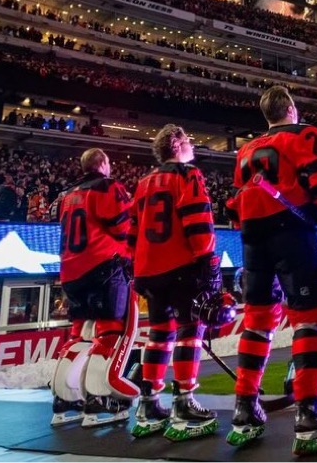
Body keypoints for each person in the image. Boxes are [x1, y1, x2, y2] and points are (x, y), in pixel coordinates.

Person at [224, 85, 317, 455]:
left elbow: (233, 205)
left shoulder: (246, 149)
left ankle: (245, 407)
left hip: (253, 240)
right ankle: (307, 410)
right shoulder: (305, 134)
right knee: (308, 318)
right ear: (290, 108)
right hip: (292, 233)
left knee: (257, 319)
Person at [128, 124, 221, 440]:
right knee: (188, 332)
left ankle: (148, 402)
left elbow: (132, 232)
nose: (192, 147)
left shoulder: (143, 183)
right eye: (189, 142)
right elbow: (198, 220)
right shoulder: (187, 175)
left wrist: (135, 267)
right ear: (179, 144)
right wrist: (208, 260)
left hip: (149, 269)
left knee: (158, 335)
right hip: (181, 264)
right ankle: (184, 401)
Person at [52, 148, 136, 427]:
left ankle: (65, 399)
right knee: (110, 332)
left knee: (79, 335)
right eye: (109, 162)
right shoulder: (107, 186)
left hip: (71, 271)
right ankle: (98, 401)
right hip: (103, 267)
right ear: (102, 164)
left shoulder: (68, 193)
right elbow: (124, 226)